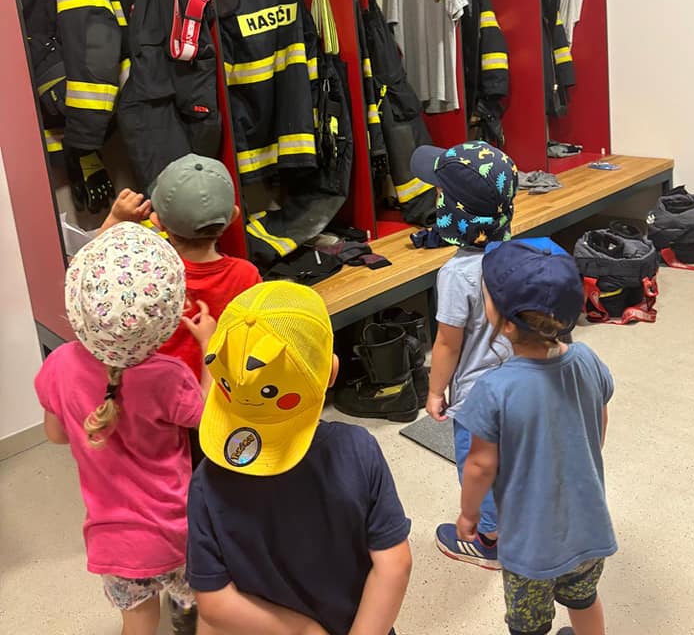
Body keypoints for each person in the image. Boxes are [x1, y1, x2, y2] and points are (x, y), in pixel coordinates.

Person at [187, 281, 413, 635]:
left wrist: (303, 629)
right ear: (332, 372)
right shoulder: (357, 448)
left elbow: (214, 604)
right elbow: (395, 564)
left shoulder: (206, 482)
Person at [34, 224, 215, 635]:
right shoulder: (168, 375)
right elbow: (204, 417)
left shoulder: (59, 365)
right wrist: (209, 346)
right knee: (206, 613)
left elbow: (56, 435)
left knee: (137, 623)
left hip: (112, 542)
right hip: (176, 534)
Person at [441, 238, 617, 635]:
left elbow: (480, 465)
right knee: (584, 600)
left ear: (504, 321)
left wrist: (469, 515)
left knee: (529, 625)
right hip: (590, 528)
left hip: (530, 545)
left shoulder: (494, 389)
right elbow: (598, 424)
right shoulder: (588, 360)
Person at [411, 140, 518, 567]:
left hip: (476, 398)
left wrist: (435, 391)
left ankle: (490, 538)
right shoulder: (516, 256)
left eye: (440, 193)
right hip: (519, 385)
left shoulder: (456, 274)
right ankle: (518, 518)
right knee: (512, 457)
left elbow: (447, 342)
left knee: (477, 461)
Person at [100, 154, 261, 382]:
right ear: (233, 216)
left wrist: (115, 220)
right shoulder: (246, 275)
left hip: (160, 393)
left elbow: (91, 274)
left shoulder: (148, 274)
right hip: (219, 391)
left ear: (158, 222)